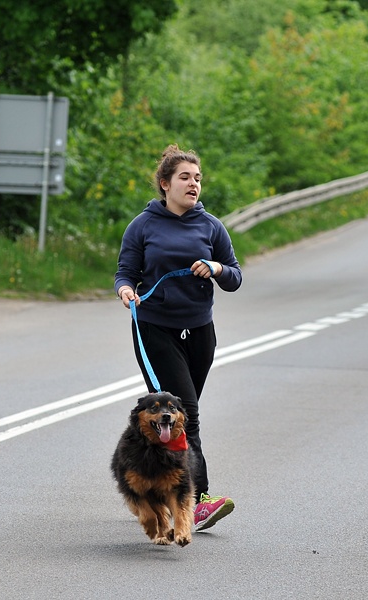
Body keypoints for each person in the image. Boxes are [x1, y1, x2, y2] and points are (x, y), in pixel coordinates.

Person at [114, 144, 243, 531]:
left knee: (174, 420)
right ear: (165, 183)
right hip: (154, 330)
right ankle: (198, 500)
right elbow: (125, 272)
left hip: (200, 332)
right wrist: (125, 291)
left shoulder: (211, 226)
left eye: (198, 178)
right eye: (185, 177)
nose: (194, 184)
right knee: (188, 416)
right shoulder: (143, 226)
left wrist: (217, 266)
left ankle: (154, 489)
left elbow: (235, 277)